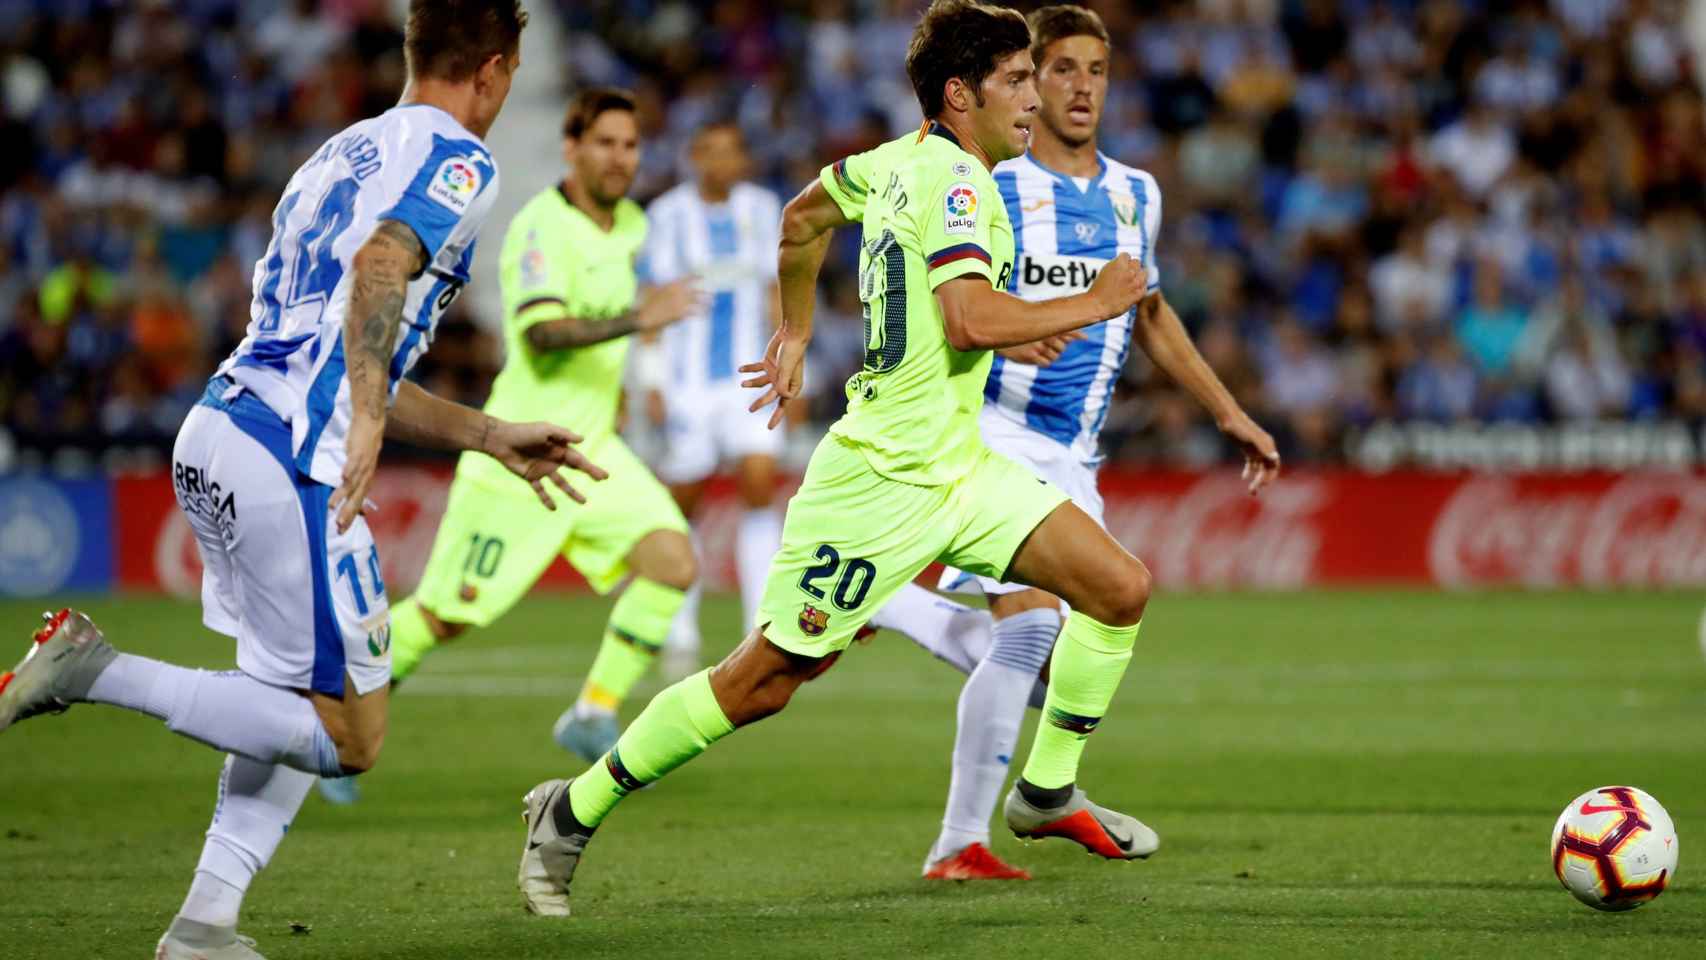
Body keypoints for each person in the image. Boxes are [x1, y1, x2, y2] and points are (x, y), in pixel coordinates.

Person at [513, 0, 1280, 916]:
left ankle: (1041, 792)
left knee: (1118, 588)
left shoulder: (891, 160)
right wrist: (1094, 301)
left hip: (960, 466)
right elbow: (968, 317)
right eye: (1018, 80)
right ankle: (572, 808)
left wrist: (793, 331)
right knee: (761, 682)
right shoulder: (957, 183)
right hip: (880, 483)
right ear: (961, 95)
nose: (1035, 98)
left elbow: (800, 221)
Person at [0, 4, 598, 957]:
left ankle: (203, 928)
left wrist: (482, 432)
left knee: (284, 705)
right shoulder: (460, 160)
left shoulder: (339, 155)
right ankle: (95, 669)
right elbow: (379, 267)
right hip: (291, 461)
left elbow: (335, 339)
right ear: (495, 68)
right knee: (348, 736)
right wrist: (363, 416)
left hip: (223, 433)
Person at [865, 4, 1279, 881]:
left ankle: (895, 605)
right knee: (1029, 633)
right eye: (1060, 69)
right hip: (995, 429)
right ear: (1026, 81)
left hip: (1075, 449)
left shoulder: (1138, 193)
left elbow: (1151, 311)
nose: (1082, 85)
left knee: (1053, 657)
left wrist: (1225, 410)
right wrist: (1010, 334)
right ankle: (969, 840)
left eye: (1096, 69)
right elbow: (951, 304)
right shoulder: (991, 181)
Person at [377, 87, 702, 768]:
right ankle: (335, 718)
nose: (620, 158)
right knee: (444, 618)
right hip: (519, 453)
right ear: (572, 148)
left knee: (673, 561)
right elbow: (543, 332)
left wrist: (619, 391)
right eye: (605, 143)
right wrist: (641, 319)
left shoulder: (632, 228)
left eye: (631, 144)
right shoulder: (540, 228)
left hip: (592, 449)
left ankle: (592, 713)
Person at [636, 120, 786, 676]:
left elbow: (775, 290)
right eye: (709, 152)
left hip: (749, 376)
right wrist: (651, 378)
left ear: (743, 159)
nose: (719, 163)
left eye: (730, 151)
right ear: (693, 157)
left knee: (759, 484)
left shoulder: (762, 208)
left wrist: (787, 360)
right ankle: (678, 625)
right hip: (688, 383)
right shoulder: (667, 216)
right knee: (686, 500)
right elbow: (653, 297)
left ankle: (761, 625)